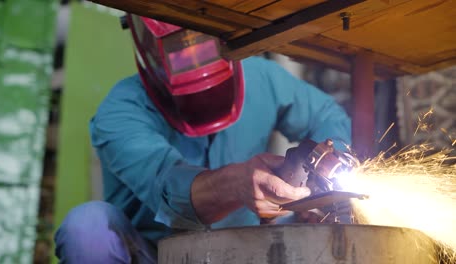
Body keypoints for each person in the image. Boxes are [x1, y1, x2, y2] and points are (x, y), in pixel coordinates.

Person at [54, 14, 351, 263]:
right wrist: (238, 184)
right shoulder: (121, 112)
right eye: (178, 49)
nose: (192, 54)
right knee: (88, 227)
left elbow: (327, 116)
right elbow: (170, 188)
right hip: (156, 255)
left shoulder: (261, 77)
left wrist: (326, 163)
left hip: (247, 253)